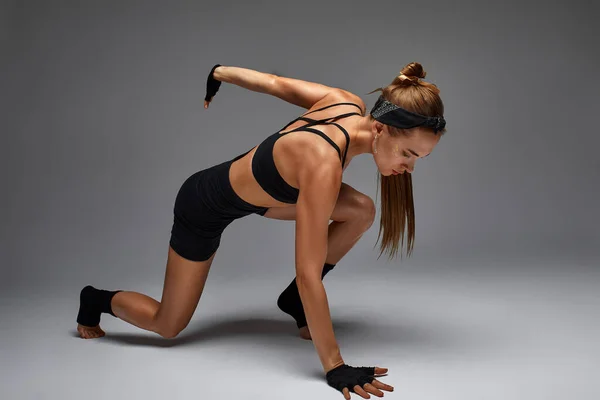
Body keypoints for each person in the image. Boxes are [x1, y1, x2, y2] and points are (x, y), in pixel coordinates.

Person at [75, 62, 446, 399]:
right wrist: (335, 366)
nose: (409, 168)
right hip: (202, 204)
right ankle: (96, 300)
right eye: (407, 155)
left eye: (419, 159)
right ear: (380, 127)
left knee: (361, 210)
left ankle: (293, 305)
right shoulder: (322, 164)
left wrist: (220, 73)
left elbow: (273, 83)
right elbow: (307, 274)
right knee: (168, 324)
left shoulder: (344, 102)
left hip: (262, 198)